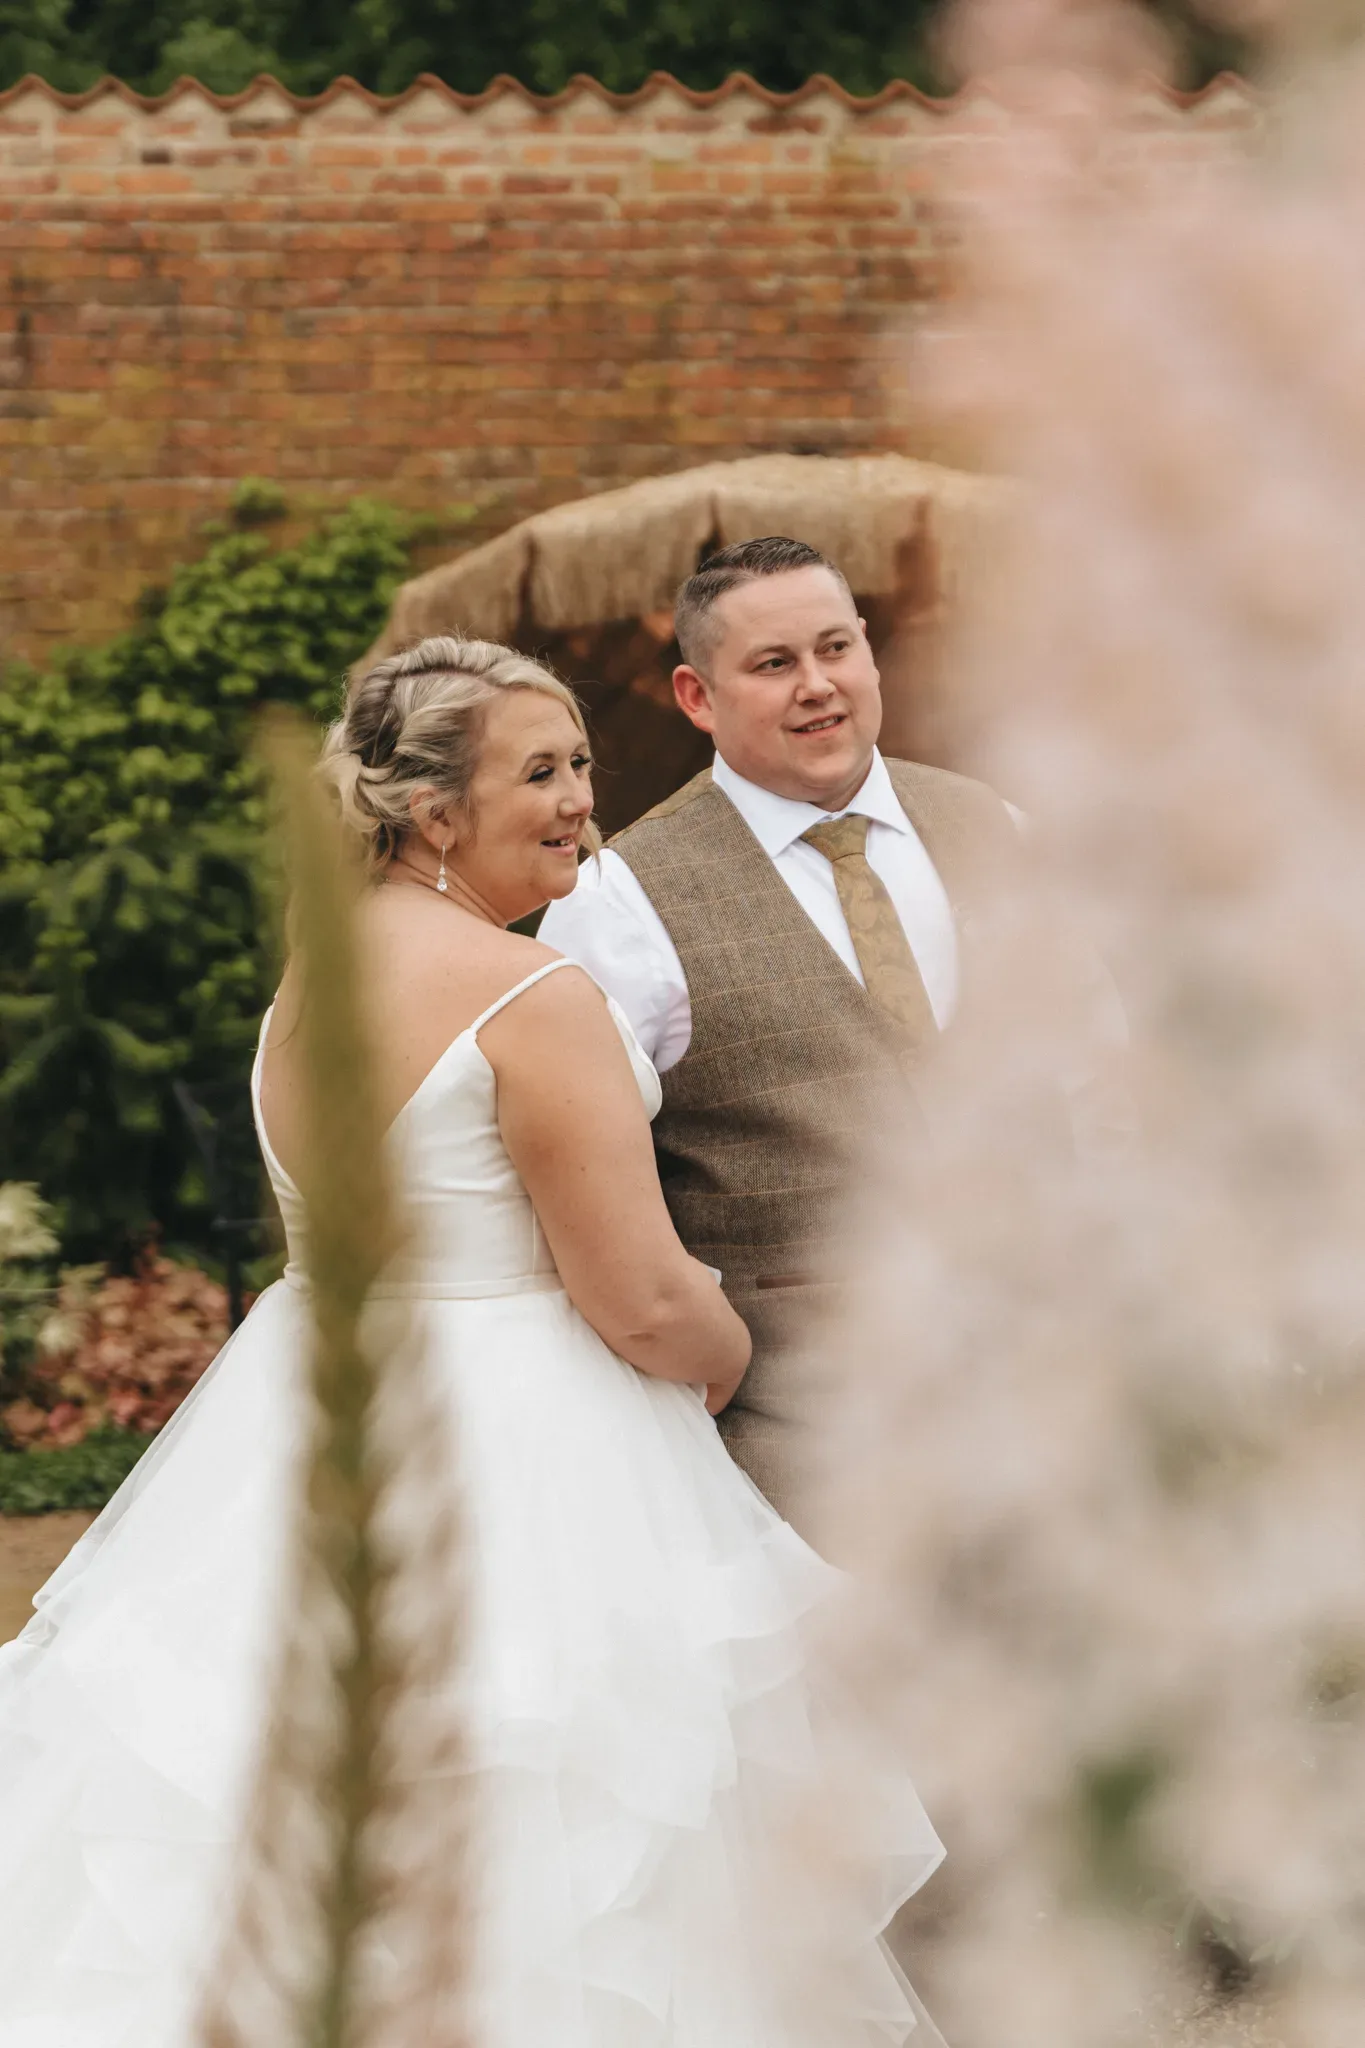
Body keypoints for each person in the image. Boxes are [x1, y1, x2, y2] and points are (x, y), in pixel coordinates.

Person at [0, 635, 945, 2048]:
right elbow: (635, 1298)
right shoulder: (529, 996)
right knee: (559, 1832)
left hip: (305, 1425)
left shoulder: (307, 983)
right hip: (521, 1449)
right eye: (542, 774)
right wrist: (728, 1352)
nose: (581, 801)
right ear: (435, 811)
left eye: (580, 766)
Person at [540, 536, 1032, 1526]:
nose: (817, 685)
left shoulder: (1001, 828)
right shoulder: (618, 903)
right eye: (774, 664)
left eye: (836, 647)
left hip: (1047, 1403)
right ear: (696, 695)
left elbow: (1098, 1086)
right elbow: (577, 1203)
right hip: (800, 1452)